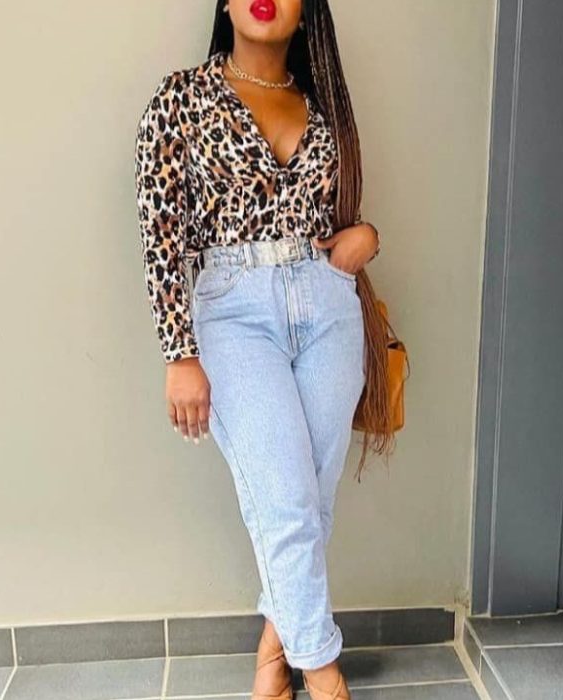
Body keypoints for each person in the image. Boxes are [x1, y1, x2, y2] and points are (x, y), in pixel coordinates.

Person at [134, 2, 386, 699]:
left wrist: (366, 237)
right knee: (286, 501)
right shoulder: (180, 98)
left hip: (328, 306)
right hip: (233, 312)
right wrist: (179, 352)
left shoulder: (323, 103)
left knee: (308, 503)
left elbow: (335, 213)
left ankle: (273, 657)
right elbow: (159, 233)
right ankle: (325, 675)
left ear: (306, 12)